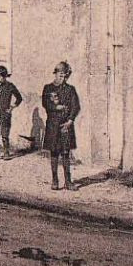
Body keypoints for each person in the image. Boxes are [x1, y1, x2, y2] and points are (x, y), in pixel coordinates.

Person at [41, 61, 82, 190]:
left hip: (65, 125)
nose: (62, 79)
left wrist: (70, 120)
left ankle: (68, 182)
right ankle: (54, 180)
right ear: (55, 74)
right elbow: (45, 103)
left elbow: (76, 106)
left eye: (65, 76)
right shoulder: (48, 88)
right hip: (53, 124)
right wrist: (55, 107)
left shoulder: (70, 89)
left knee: (65, 152)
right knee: (54, 152)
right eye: (60, 75)